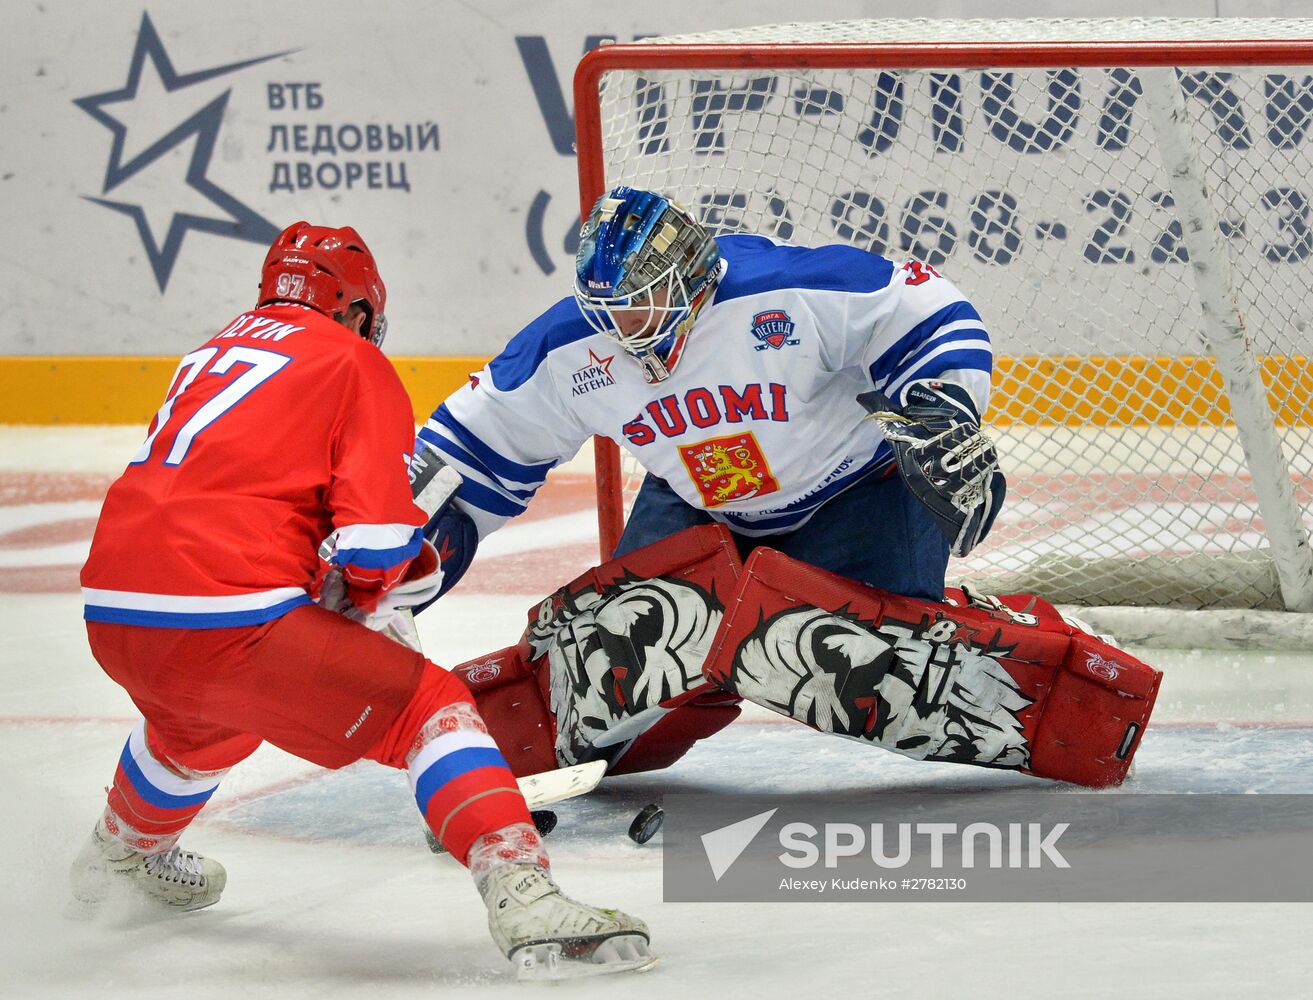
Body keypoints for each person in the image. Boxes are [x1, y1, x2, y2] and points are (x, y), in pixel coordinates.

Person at [71, 221, 652, 980]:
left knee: (204, 723)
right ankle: (526, 896)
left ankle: (116, 857)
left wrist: (323, 577)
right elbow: (376, 545)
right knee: (428, 708)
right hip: (230, 617)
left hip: (116, 613)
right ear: (354, 310)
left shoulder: (209, 354)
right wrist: (405, 567)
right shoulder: (350, 362)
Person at [417, 185, 1005, 603]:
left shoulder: (780, 291)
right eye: (608, 311)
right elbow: (478, 444)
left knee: (884, 668)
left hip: (857, 498)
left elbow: (926, 307)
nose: (623, 329)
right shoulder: (572, 344)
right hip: (703, 508)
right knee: (614, 652)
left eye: (639, 303)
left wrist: (943, 407)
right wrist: (406, 539)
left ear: (692, 276)